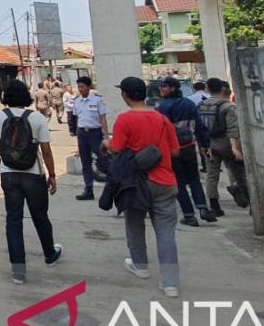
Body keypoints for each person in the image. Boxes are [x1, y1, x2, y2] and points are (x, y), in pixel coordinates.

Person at [105, 77, 181, 298]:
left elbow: (117, 148)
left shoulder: (124, 120)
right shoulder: (162, 120)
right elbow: (175, 151)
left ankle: (140, 265)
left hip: (136, 183)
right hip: (165, 181)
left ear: (125, 95)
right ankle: (170, 283)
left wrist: (105, 144)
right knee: (166, 232)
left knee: (135, 223)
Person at [0, 80, 62, 285]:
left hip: (8, 175)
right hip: (33, 174)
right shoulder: (37, 118)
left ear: (6, 97)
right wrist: (52, 175)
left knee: (13, 220)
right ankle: (49, 253)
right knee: (40, 216)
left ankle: (18, 271)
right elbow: (46, 151)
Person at [157, 77, 216, 226]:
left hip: (173, 150)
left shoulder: (163, 107)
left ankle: (189, 215)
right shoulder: (189, 104)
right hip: (190, 146)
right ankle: (203, 207)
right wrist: (204, 144)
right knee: (194, 179)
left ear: (172, 88)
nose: (161, 89)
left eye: (163, 87)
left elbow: (161, 131)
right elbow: (200, 126)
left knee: (179, 183)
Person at [200, 78, 249, 216]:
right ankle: (248, 200)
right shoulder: (228, 106)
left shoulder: (201, 105)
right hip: (227, 144)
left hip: (210, 145)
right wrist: (235, 148)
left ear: (207, 89)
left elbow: (198, 128)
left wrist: (203, 145)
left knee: (211, 176)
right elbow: (233, 129)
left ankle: (215, 206)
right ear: (222, 89)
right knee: (239, 174)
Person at [73, 76, 109, 200]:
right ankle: (88, 190)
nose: (80, 89)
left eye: (82, 86)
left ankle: (112, 186)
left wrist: (106, 137)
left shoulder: (97, 100)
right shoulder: (77, 101)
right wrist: (77, 140)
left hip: (96, 133)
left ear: (89, 87)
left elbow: (103, 119)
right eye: (79, 87)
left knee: (104, 160)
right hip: (83, 133)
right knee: (85, 163)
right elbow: (78, 118)